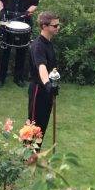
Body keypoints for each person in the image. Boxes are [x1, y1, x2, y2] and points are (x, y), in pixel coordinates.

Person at [0, 0, 39, 88]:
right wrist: (2, 10)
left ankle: (18, 78)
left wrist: (28, 12)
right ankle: (0, 78)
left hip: (23, 21)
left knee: (22, 50)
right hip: (6, 19)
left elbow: (35, 3)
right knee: (4, 49)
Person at [28, 11, 61, 148]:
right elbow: (42, 67)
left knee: (42, 125)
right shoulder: (38, 46)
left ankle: (35, 155)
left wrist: (52, 85)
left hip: (46, 91)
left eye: (58, 25)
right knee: (35, 125)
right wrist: (48, 84)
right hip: (38, 91)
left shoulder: (48, 43)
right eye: (55, 26)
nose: (58, 27)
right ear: (44, 26)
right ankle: (28, 157)